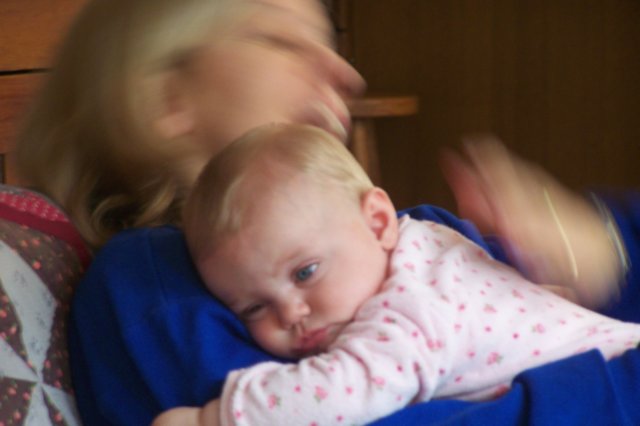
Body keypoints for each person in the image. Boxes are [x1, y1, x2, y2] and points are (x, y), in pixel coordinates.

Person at [10, 0, 640, 424]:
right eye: (282, 39)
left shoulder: (413, 237)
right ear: (168, 97)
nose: (345, 72)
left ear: (377, 219)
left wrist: (603, 246)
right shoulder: (151, 285)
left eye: (330, 42)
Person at [153, 123, 640, 425]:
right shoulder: (425, 243)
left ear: (378, 222)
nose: (292, 314)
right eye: (254, 307)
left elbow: (346, 391)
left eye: (305, 272)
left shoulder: (409, 302)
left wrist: (215, 418)